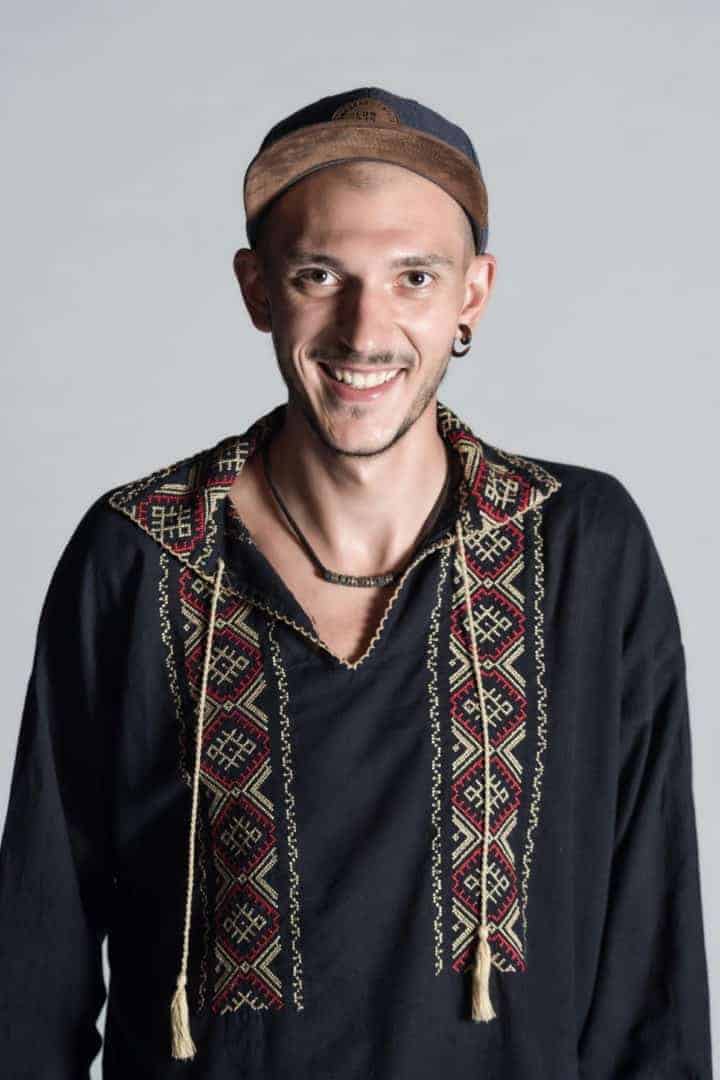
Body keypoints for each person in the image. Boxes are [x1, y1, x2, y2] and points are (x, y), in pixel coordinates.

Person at [0, 86, 713, 1079]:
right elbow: (35, 967)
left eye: (414, 276)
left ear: (473, 295)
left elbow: (651, 971)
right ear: (258, 289)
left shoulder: (583, 549)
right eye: (319, 274)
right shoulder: (141, 552)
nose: (363, 328)